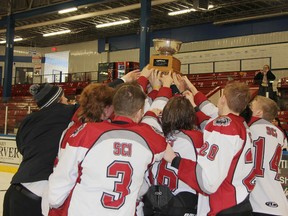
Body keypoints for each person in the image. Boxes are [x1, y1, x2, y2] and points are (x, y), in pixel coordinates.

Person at [47, 82, 168, 216]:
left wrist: (55, 202)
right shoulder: (150, 137)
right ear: (140, 112)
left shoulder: (87, 131)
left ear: (114, 108)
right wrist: (153, 110)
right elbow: (165, 149)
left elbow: (62, 179)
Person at [164, 80, 255, 216]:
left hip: (224, 207)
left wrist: (175, 160)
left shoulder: (223, 126)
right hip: (239, 202)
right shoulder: (241, 125)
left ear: (223, 98)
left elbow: (207, 182)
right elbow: (209, 124)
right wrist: (194, 106)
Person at [3, 83, 78, 216]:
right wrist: (124, 80)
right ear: (58, 101)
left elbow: (22, 147)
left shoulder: (28, 120)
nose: (68, 101)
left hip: (13, 193)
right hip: (31, 202)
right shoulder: (64, 112)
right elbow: (95, 101)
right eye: (65, 98)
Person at [142, 95, 203, 216]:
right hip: (182, 203)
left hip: (153, 201)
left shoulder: (157, 136)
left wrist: (152, 114)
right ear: (190, 117)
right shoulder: (198, 137)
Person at [248, 96, 288, 216]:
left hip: (259, 202)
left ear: (258, 112)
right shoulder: (280, 134)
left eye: (251, 106)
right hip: (280, 202)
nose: (248, 109)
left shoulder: (249, 126)